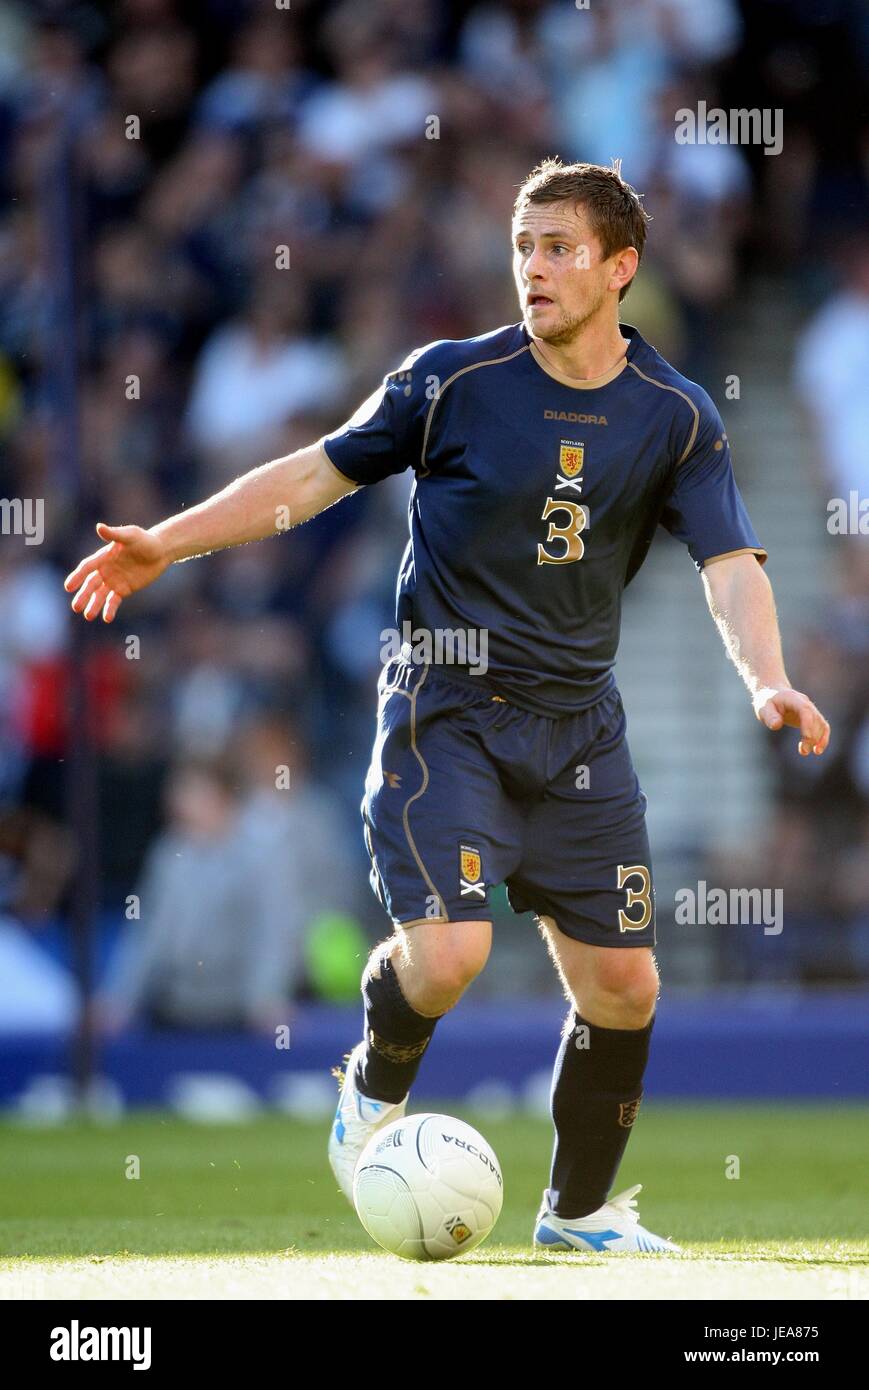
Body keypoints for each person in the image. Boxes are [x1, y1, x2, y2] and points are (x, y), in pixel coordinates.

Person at [64, 158, 830, 1254]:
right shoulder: (450, 381)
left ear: (621, 266)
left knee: (624, 984)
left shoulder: (674, 414)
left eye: (559, 247)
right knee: (449, 956)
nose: (534, 267)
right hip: (445, 707)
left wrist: (765, 677)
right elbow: (311, 476)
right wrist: (168, 541)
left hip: (577, 728)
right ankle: (369, 1091)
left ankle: (576, 1214)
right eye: (523, 247)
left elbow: (729, 562)